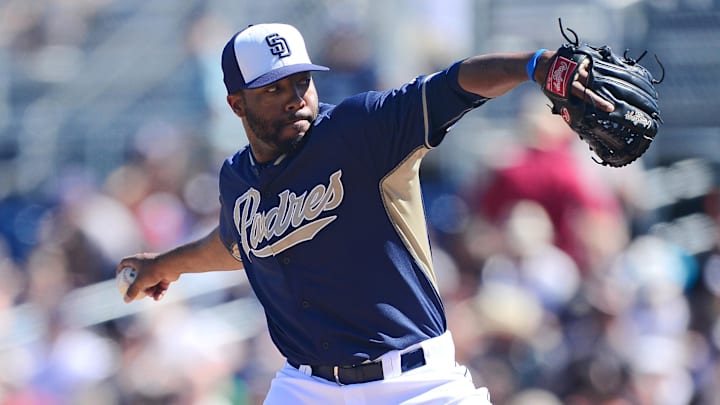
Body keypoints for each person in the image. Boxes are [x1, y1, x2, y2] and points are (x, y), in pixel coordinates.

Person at [117, 22, 613, 405]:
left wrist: (533, 65)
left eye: (301, 82)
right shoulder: (237, 177)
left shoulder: (361, 130)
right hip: (307, 388)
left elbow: (451, 86)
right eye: (273, 89)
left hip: (416, 382)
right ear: (235, 103)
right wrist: (164, 266)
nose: (295, 98)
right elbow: (235, 245)